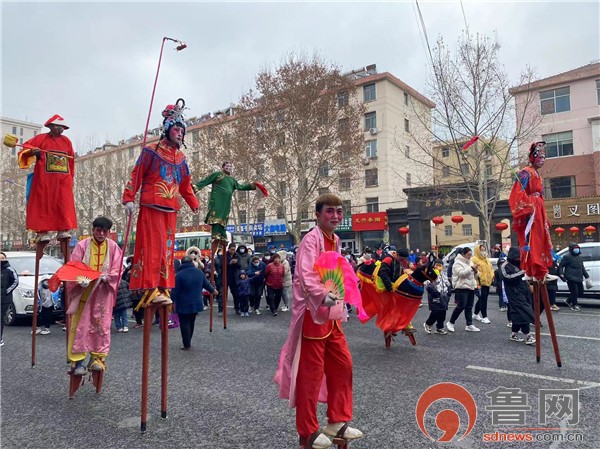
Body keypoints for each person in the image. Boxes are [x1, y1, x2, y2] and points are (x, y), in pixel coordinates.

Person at [274, 193, 363, 449]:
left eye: (339, 211)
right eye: (330, 211)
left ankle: (337, 421)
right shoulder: (310, 240)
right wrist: (322, 294)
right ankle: (308, 430)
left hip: (332, 318)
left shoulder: (335, 239)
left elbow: (338, 271)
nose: (335, 216)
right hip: (313, 317)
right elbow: (305, 273)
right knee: (310, 377)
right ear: (317, 214)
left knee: (343, 366)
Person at [122, 99, 199, 308]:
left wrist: (193, 202)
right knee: (152, 247)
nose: (180, 134)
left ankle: (163, 286)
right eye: (176, 129)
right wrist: (129, 197)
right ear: (167, 129)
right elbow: (136, 175)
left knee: (167, 250)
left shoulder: (181, 158)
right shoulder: (151, 151)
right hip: (151, 206)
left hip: (171, 209)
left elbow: (185, 184)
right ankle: (149, 288)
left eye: (182, 131)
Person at [66, 216, 122, 375]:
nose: (102, 234)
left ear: (109, 232)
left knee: (102, 326)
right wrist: (79, 280)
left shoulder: (113, 247)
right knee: (80, 326)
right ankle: (78, 362)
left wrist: (109, 277)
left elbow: (118, 269)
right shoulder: (81, 246)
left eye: (105, 231)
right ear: (93, 230)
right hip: (85, 292)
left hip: (103, 293)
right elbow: (73, 266)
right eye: (99, 230)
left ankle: (97, 358)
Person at [17, 115, 77, 242]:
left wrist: (71, 178)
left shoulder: (67, 141)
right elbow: (26, 148)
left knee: (64, 204)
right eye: (57, 126)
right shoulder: (41, 138)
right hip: (44, 180)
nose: (59, 129)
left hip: (63, 180)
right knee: (43, 203)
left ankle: (63, 229)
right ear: (50, 126)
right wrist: (33, 151)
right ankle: (42, 232)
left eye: (62, 127)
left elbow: (71, 162)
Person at [508, 142, 554, 282]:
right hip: (532, 209)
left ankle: (541, 271)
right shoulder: (525, 172)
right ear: (533, 158)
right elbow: (517, 191)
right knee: (531, 239)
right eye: (540, 157)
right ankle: (530, 270)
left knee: (540, 239)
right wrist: (528, 207)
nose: (543, 160)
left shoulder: (537, 174)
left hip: (538, 207)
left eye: (544, 157)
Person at [193, 162, 264, 242]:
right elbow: (206, 181)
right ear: (223, 167)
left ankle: (223, 235)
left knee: (224, 217)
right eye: (227, 166)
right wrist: (195, 187)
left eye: (230, 166)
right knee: (217, 216)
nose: (229, 168)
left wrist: (254, 185)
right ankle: (216, 234)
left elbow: (241, 187)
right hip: (217, 200)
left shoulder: (232, 180)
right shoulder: (218, 175)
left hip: (226, 202)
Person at [171, 256, 216, 349]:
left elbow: (175, 290)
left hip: (183, 303)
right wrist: (213, 290)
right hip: (196, 302)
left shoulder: (179, 275)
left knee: (184, 323)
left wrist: (171, 301)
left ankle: (186, 343)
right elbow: (206, 284)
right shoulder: (199, 272)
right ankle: (188, 340)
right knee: (192, 322)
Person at [501, 247, 536, 345]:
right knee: (523, 311)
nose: (518, 259)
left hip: (523, 290)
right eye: (516, 257)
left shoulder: (520, 263)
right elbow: (507, 278)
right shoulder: (505, 265)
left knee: (517, 313)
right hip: (513, 293)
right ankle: (528, 335)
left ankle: (514, 334)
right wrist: (521, 273)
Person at [446, 247, 480, 333]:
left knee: (469, 306)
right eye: (468, 254)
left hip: (471, 286)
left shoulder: (470, 262)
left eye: (470, 254)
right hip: (461, 287)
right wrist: (471, 268)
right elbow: (461, 274)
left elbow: (476, 276)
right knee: (461, 306)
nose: (470, 256)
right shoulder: (457, 263)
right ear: (463, 254)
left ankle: (469, 324)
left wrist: (476, 271)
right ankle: (451, 322)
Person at [558, 243, 591, 311]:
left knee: (580, 292)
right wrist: (561, 274)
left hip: (579, 276)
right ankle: (574, 305)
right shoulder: (567, 257)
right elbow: (561, 266)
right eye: (575, 248)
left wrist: (587, 276)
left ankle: (569, 300)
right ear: (571, 249)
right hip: (570, 277)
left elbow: (582, 268)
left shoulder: (579, 257)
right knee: (574, 292)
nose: (577, 250)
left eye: (577, 248)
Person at [424, 260, 450, 335]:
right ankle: (428, 323)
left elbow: (447, 284)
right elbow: (428, 284)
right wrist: (434, 292)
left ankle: (440, 327)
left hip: (444, 295)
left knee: (442, 312)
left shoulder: (444, 275)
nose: (438, 267)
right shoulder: (431, 274)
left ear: (443, 267)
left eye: (440, 265)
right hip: (434, 295)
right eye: (437, 265)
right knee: (436, 311)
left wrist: (448, 293)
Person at [472, 244, 493, 324]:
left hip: (487, 282)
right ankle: (484, 316)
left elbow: (490, 269)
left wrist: (492, 275)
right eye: (481, 250)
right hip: (479, 283)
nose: (483, 252)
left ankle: (475, 314)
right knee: (483, 299)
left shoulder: (486, 260)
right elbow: (474, 271)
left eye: (484, 250)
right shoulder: (474, 259)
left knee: (482, 299)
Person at [1, 252, 19, 346]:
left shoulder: (9, 270)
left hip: (4, 298)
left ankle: (0, 338)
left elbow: (15, 282)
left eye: (2, 258)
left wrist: (6, 291)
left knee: (0, 318)